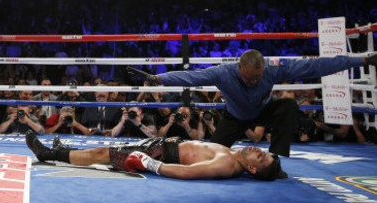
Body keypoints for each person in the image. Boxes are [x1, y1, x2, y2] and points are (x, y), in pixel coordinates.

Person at [128, 50, 377, 157]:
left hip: (263, 112)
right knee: (210, 154)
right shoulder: (223, 72)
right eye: (248, 77)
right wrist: (159, 77)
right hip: (235, 117)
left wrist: (362, 61)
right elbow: (192, 76)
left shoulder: (273, 69)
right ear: (239, 68)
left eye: (257, 78)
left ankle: (277, 158)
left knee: (288, 106)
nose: (253, 81)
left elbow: (317, 65)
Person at [25, 131, 287, 181]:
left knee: (102, 153)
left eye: (262, 158)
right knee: (105, 151)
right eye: (265, 153)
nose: (259, 150)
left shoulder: (227, 164)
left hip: (162, 153)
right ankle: (60, 150)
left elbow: (187, 172)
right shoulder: (235, 154)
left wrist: (151, 164)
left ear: (252, 170)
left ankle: (49, 153)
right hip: (166, 145)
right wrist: (278, 171)